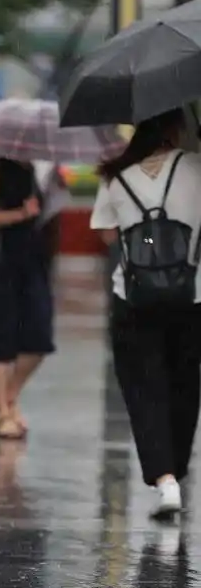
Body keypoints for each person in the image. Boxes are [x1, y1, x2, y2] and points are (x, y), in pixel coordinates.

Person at [90, 108, 201, 520]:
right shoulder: (195, 167)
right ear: (177, 127)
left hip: (133, 297)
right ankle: (179, 470)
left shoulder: (117, 175)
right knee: (184, 385)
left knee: (143, 389)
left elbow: (104, 232)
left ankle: (165, 480)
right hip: (192, 296)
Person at [0, 157, 55, 440]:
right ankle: (4, 414)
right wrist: (21, 213)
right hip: (0, 268)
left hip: (32, 267)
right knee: (0, 345)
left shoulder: (34, 171)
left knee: (39, 339)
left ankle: (9, 397)